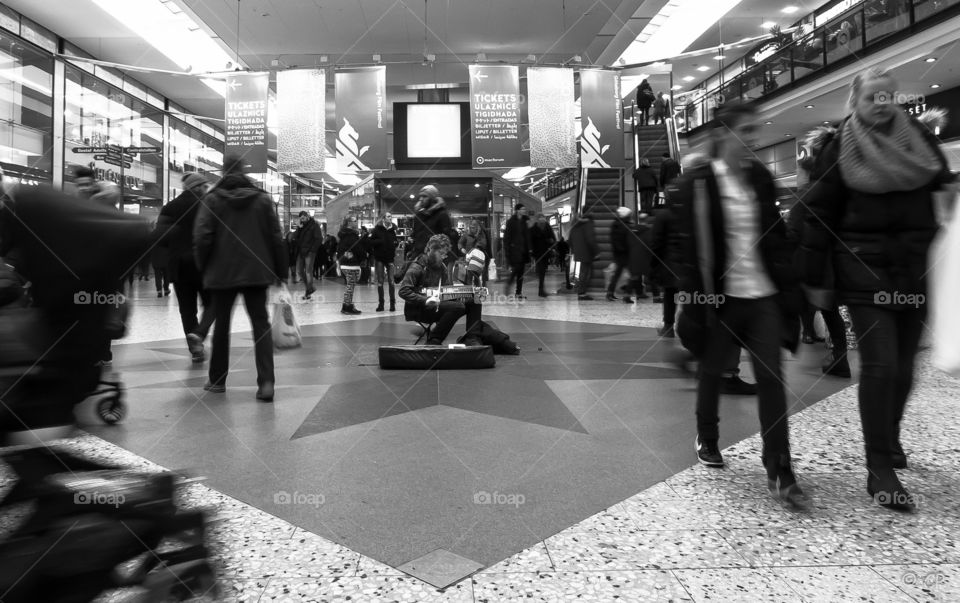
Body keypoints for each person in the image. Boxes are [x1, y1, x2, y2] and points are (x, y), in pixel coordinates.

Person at [799, 67, 958, 511]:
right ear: (856, 101)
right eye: (873, 96)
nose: (882, 102)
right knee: (881, 366)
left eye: (888, 94)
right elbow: (817, 215)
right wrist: (814, 279)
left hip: (915, 270)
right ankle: (879, 469)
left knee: (907, 368)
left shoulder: (920, 141)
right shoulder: (838, 147)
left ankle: (889, 437)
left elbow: (944, 190)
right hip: (863, 271)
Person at [669, 102, 807, 508]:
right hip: (721, 298)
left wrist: (789, 287)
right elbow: (688, 253)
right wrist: (694, 302)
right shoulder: (696, 183)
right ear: (722, 134)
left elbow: (776, 239)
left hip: (762, 295)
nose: (752, 138)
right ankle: (708, 436)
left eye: (754, 129)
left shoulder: (759, 179)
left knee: (772, 380)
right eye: (744, 130)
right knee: (712, 372)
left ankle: (779, 468)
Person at [193, 155, 285, 403]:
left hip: (222, 273)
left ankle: (217, 380)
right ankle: (266, 383)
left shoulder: (211, 199)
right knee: (260, 324)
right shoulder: (262, 200)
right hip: (256, 272)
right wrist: (281, 271)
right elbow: (276, 237)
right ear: (244, 170)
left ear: (223, 171)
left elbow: (202, 237)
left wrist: (204, 267)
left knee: (222, 325)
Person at [155, 172, 215, 363]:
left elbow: (159, 237)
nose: (206, 190)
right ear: (197, 187)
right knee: (213, 304)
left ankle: (195, 350)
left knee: (187, 310)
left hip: (179, 266)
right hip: (203, 265)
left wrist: (176, 244)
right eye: (204, 187)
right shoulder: (208, 205)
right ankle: (200, 333)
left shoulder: (169, 207)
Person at [399, 234, 482, 346]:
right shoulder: (417, 266)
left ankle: (472, 337)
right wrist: (425, 300)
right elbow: (403, 291)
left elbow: (446, 290)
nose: (443, 257)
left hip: (437, 304)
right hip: (418, 308)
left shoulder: (441, 266)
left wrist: (462, 293)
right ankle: (434, 340)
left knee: (474, 300)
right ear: (430, 250)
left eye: (445, 254)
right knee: (458, 307)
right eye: (441, 253)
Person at [411, 185, 455, 258]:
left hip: (435, 259)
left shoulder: (442, 215)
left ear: (432, 199)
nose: (421, 199)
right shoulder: (418, 216)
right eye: (420, 196)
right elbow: (416, 237)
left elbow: (447, 239)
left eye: (425, 196)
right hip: (418, 257)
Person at [370, 212, 399, 312]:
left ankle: (392, 303)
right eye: (388, 216)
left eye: (391, 216)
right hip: (380, 258)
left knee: (391, 281)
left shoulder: (392, 230)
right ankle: (381, 304)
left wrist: (395, 243)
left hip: (390, 258)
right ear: (383, 219)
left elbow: (395, 241)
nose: (390, 218)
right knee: (380, 282)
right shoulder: (377, 229)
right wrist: (380, 241)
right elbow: (371, 242)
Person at [502, 203, 532, 298]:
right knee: (516, 270)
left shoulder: (524, 221)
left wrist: (529, 248)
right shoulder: (511, 221)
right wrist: (507, 250)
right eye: (522, 209)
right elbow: (507, 237)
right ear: (517, 210)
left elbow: (527, 236)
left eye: (524, 209)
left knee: (521, 273)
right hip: (514, 250)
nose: (524, 210)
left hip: (523, 250)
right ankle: (509, 284)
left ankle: (518, 292)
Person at [337, 215, 364, 315]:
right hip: (351, 265)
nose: (356, 222)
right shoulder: (352, 235)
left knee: (350, 286)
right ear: (349, 223)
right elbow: (358, 249)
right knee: (350, 286)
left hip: (345, 264)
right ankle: (346, 307)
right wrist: (362, 257)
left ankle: (348, 305)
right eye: (355, 220)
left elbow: (339, 250)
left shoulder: (343, 235)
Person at [568, 213, 597, 300]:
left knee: (583, 273)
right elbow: (590, 239)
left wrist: (574, 250)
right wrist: (596, 251)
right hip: (586, 252)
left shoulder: (573, 228)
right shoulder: (585, 225)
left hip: (579, 253)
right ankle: (581, 293)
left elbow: (569, 241)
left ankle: (581, 292)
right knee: (585, 273)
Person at [606, 206, 632, 301]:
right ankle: (626, 295)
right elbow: (623, 239)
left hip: (619, 253)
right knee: (633, 274)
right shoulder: (622, 225)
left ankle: (610, 293)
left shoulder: (616, 224)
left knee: (617, 274)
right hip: (624, 253)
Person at [295, 211, 321, 300]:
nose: (302, 219)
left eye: (304, 217)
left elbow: (319, 238)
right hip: (301, 252)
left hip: (310, 252)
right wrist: (299, 228)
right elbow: (295, 238)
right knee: (299, 271)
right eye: (301, 218)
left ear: (307, 217)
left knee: (308, 271)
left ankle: (308, 292)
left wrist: (312, 250)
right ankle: (310, 289)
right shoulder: (301, 227)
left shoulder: (314, 225)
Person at [529, 213, 557, 298]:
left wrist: (551, 242)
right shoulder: (533, 229)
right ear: (537, 220)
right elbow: (530, 241)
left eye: (543, 218)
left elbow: (553, 239)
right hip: (538, 253)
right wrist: (531, 251)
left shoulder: (547, 227)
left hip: (545, 252)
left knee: (543, 271)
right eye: (540, 218)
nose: (542, 220)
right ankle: (541, 290)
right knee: (541, 270)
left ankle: (541, 289)